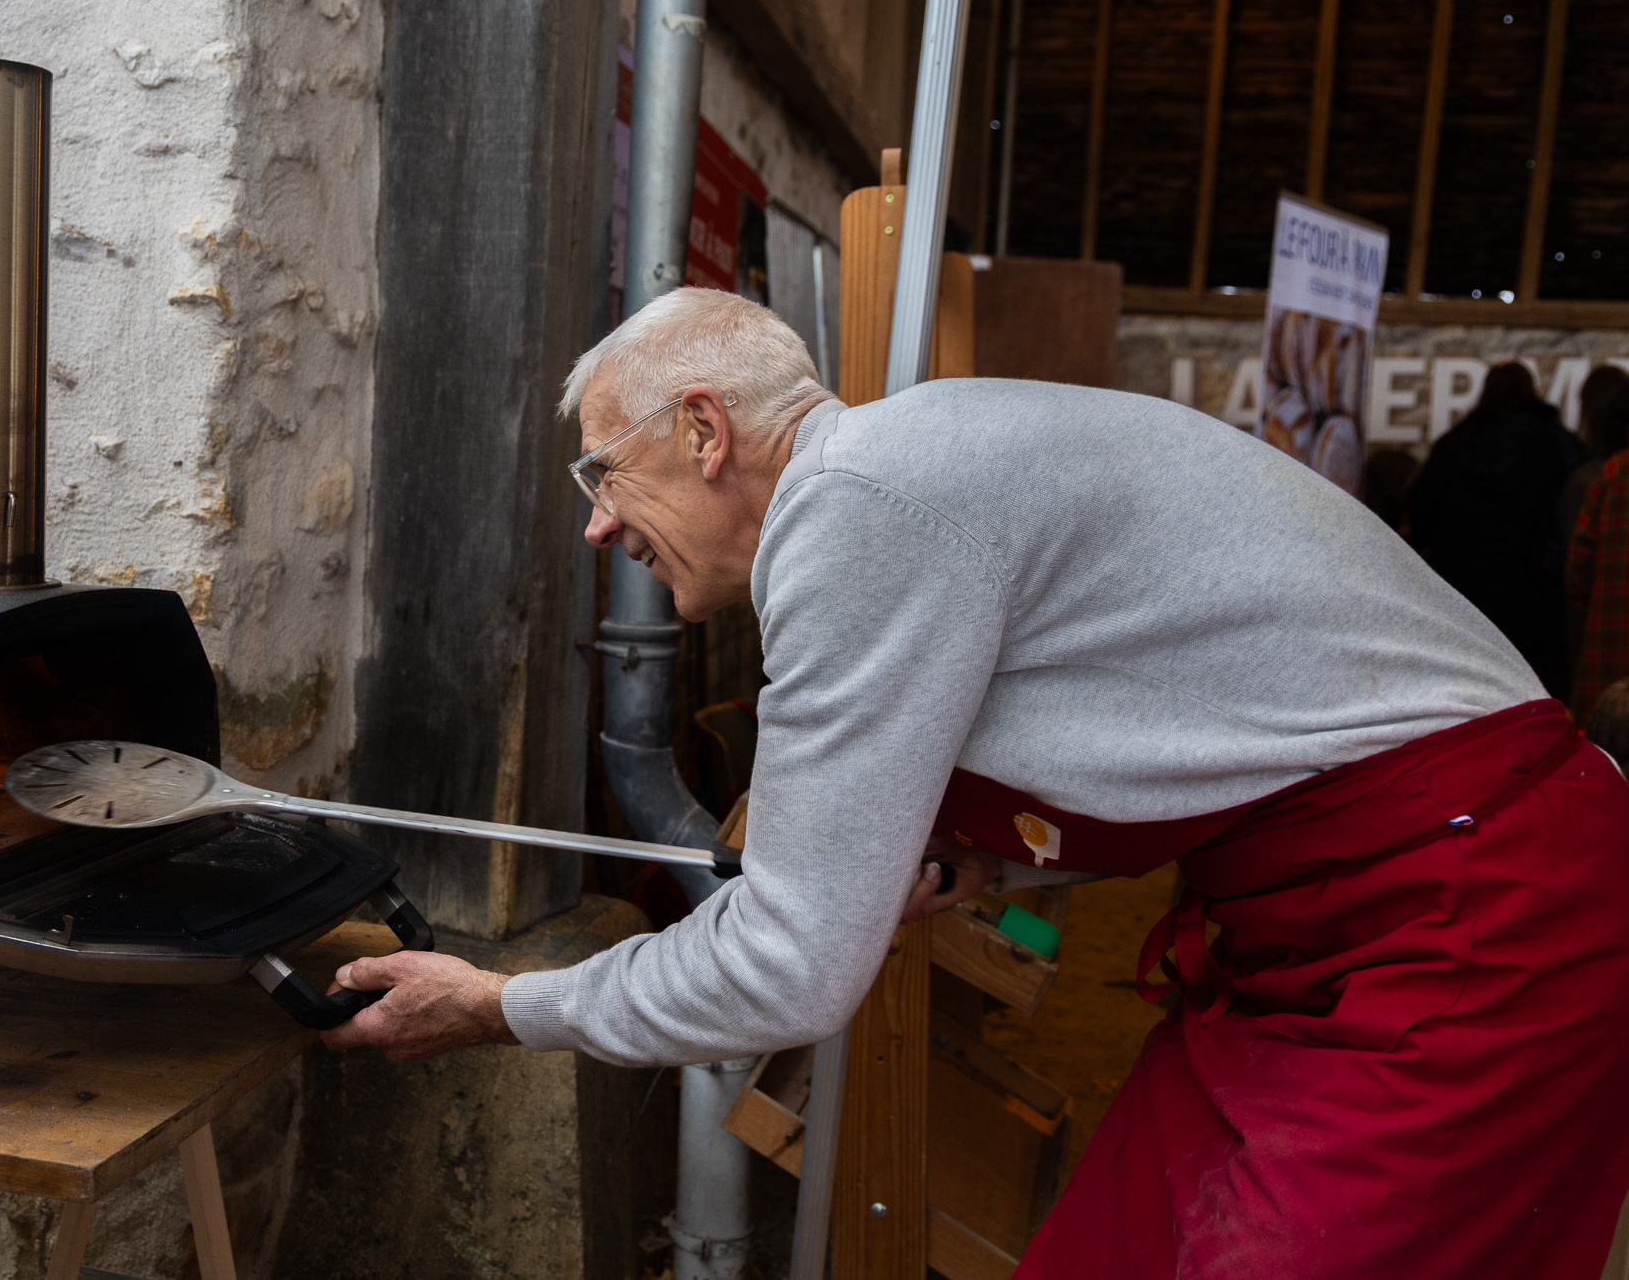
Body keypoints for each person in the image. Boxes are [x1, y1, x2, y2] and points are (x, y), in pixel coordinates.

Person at [322, 288, 1629, 1279]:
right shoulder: (907, 471)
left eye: (604, 472)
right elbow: (1180, 716)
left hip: (1478, 916)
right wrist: (972, 860)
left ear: (704, 431)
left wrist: (497, 1005)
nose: (599, 522)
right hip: (1328, 928)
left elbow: (790, 970)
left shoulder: (854, 506)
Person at [1407, 361, 1582, 696]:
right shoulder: (1558, 444)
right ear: (1531, 391)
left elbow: (1422, 515)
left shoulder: (1452, 444)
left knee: (1466, 695)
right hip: (1535, 602)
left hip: (1465, 601)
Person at [1567, 385, 1629, 723]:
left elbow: (1578, 569)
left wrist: (1598, 617)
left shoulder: (1614, 472)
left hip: (1611, 648)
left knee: (1606, 748)